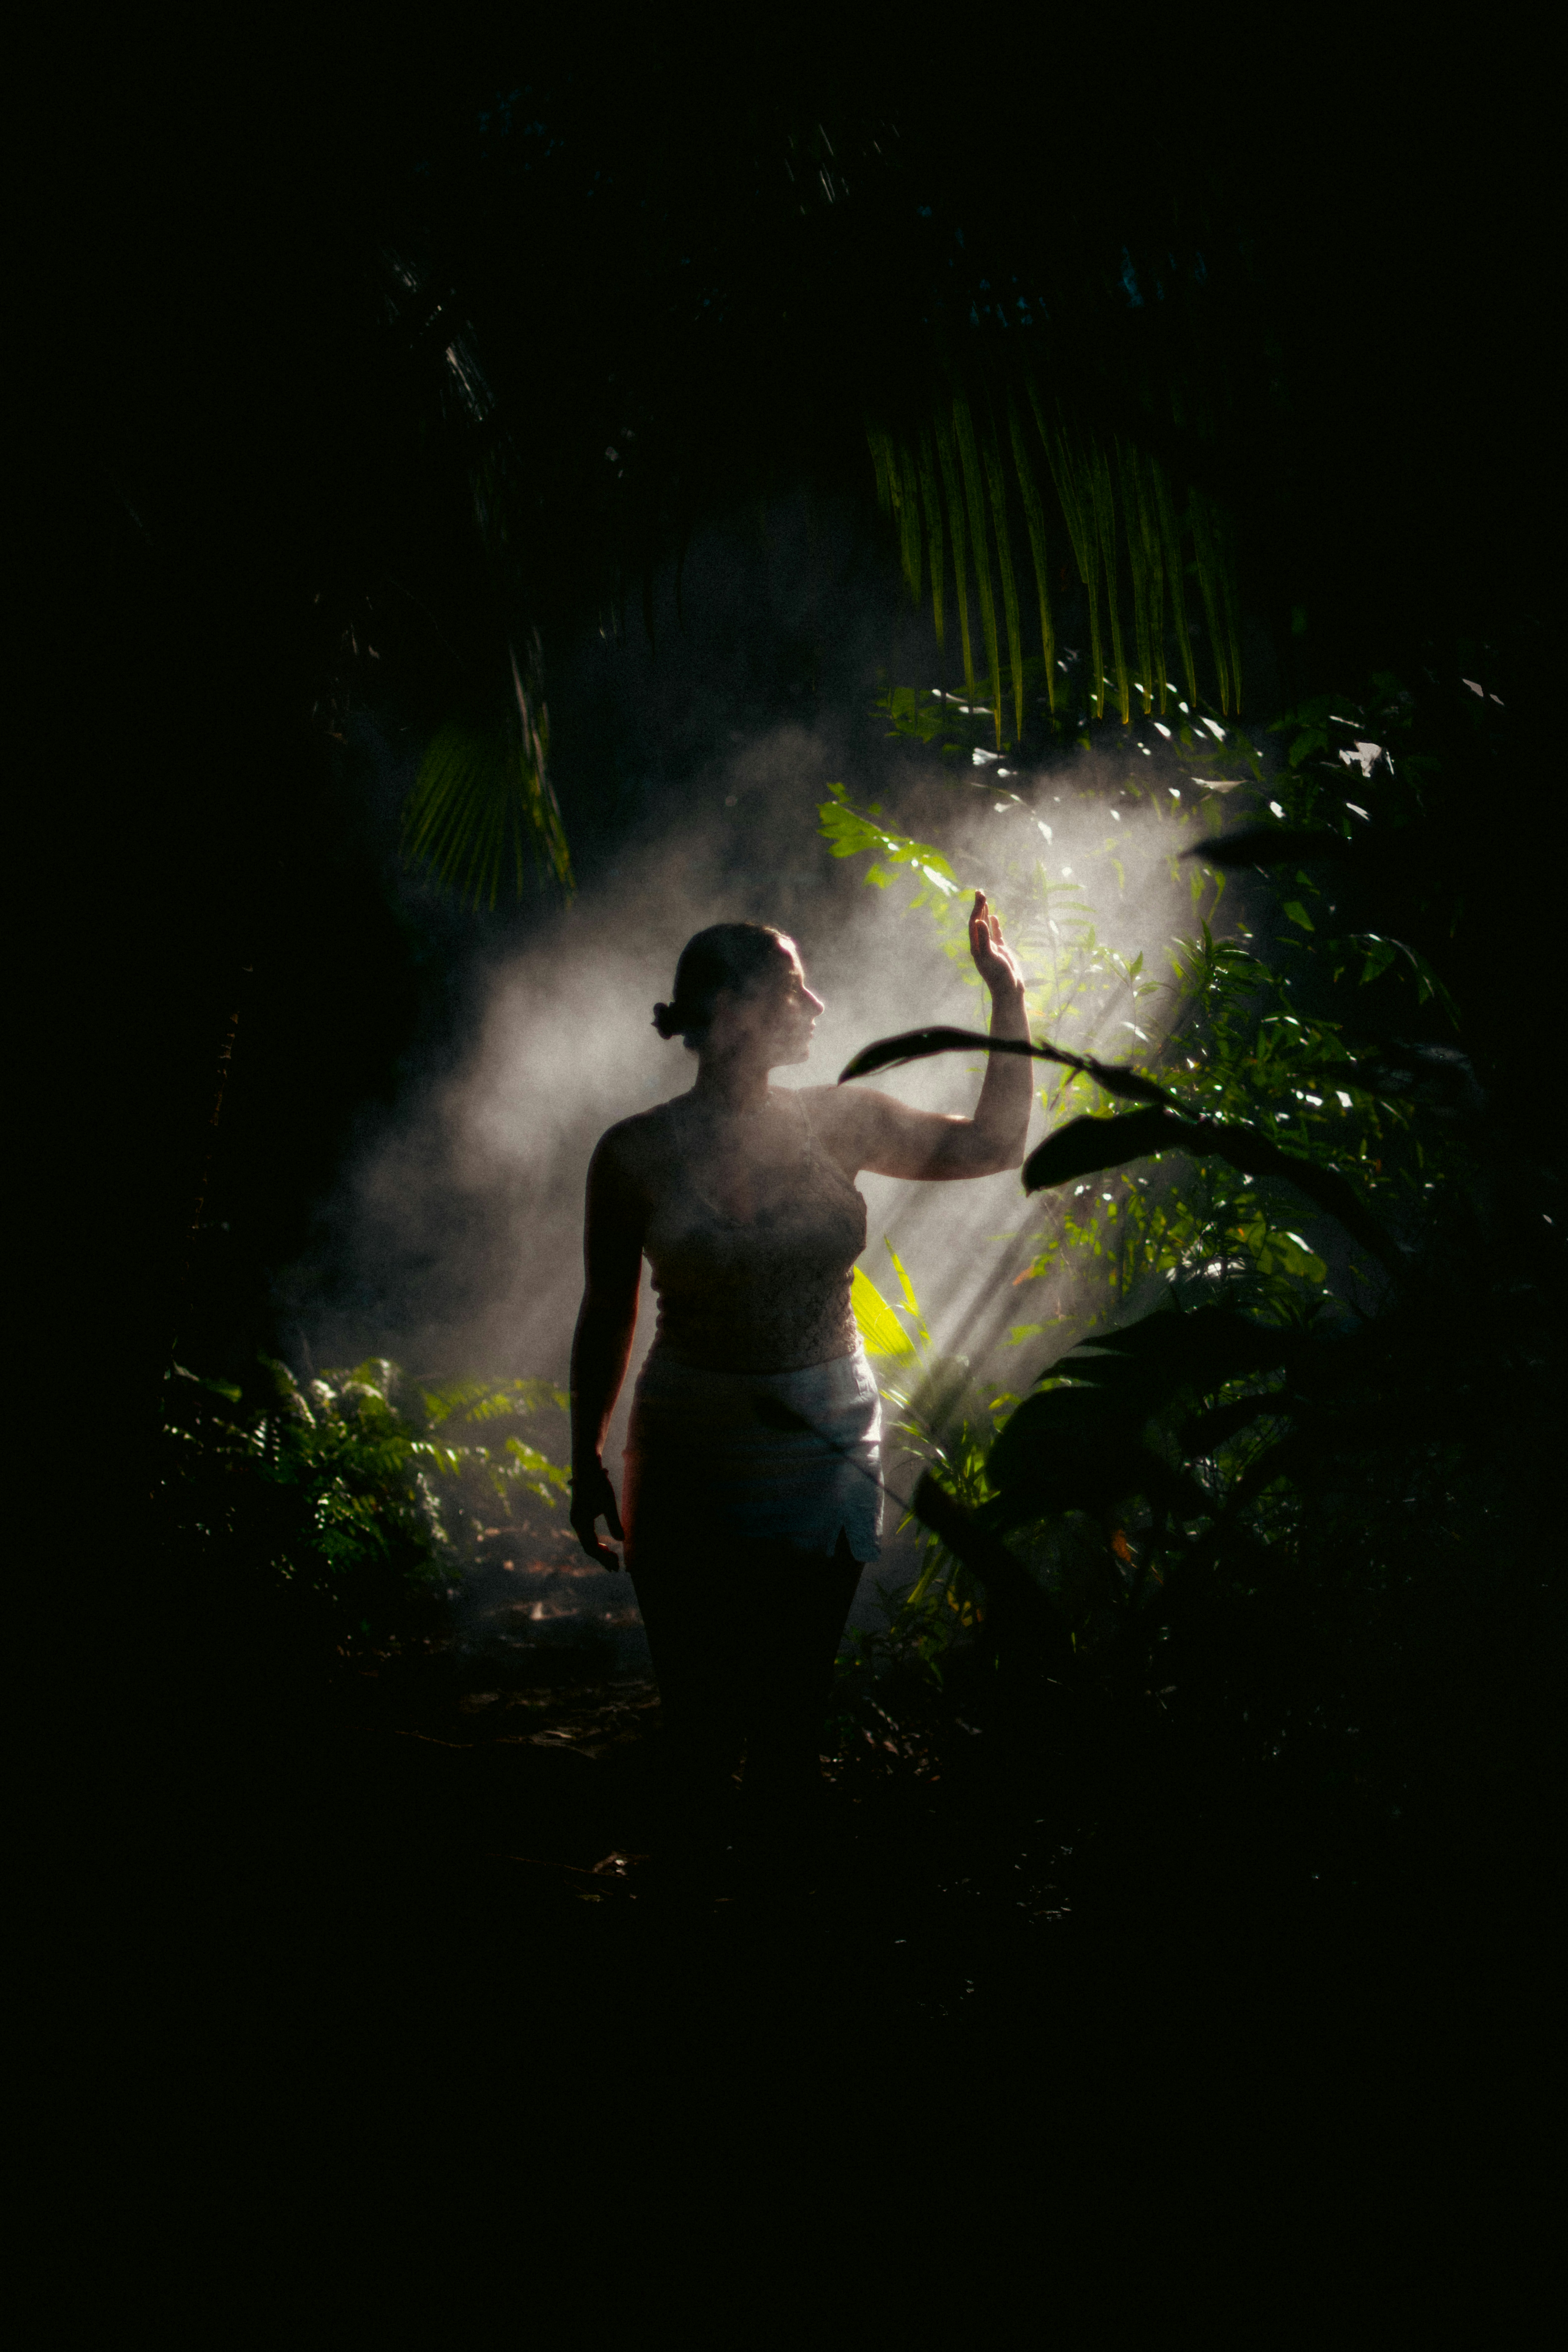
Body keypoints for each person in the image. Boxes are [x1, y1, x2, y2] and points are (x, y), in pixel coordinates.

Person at [568, 893, 1031, 1878]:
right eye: (793, 988)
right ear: (731, 1009)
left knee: (788, 1719)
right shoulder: (634, 1151)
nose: (816, 1005)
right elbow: (608, 1311)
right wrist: (585, 1460)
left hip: (823, 1441)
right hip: (687, 1446)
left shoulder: (844, 1121)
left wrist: (1008, 996)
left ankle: (774, 1925)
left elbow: (995, 1145)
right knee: (698, 1723)